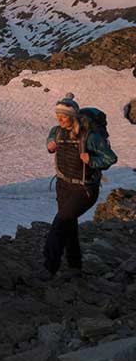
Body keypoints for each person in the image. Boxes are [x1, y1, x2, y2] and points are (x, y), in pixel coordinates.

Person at [40, 93, 117, 281]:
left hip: (84, 189)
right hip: (63, 185)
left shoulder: (89, 136)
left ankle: (49, 267)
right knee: (69, 224)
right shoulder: (56, 131)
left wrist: (92, 160)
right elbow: (50, 140)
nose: (59, 119)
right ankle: (75, 266)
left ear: (73, 116)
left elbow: (110, 158)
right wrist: (50, 146)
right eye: (58, 115)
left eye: (63, 116)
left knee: (60, 222)